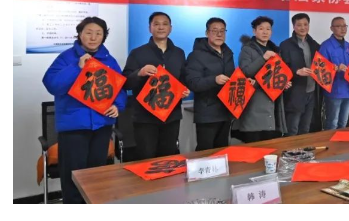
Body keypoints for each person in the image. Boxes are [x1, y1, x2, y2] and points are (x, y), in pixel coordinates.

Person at [42, 17, 126, 204]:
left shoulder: (109, 60)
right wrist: (77, 67)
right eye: (88, 33)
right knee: (73, 176)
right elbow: (52, 85)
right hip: (74, 127)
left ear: (104, 36)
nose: (93, 37)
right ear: (80, 34)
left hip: (102, 125)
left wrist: (117, 106)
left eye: (98, 33)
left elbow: (119, 88)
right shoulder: (67, 58)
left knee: (96, 175)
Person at [123, 12, 190, 160]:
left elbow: (183, 78)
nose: (161, 27)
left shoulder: (179, 53)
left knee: (168, 158)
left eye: (165, 24)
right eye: (156, 24)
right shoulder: (138, 53)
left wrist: (184, 89)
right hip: (145, 118)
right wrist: (140, 73)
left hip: (171, 116)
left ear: (170, 28)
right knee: (146, 158)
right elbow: (125, 82)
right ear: (150, 28)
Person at [237, 16, 291, 142]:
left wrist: (283, 83)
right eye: (261, 29)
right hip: (255, 103)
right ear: (254, 31)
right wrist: (263, 58)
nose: (265, 32)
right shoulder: (247, 50)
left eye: (268, 29)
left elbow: (275, 75)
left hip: (273, 104)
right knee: (255, 143)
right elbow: (245, 72)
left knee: (271, 145)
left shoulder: (275, 51)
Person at [185, 17, 235, 150]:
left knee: (222, 151)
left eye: (222, 31)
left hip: (226, 111)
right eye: (215, 31)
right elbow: (192, 83)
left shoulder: (228, 53)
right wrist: (214, 80)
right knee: (205, 152)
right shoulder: (196, 55)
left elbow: (232, 79)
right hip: (207, 114)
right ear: (207, 33)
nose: (219, 34)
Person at [279, 13, 320, 136]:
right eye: (299, 25)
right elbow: (281, 69)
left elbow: (323, 64)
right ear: (294, 26)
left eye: (305, 24)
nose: (303, 28)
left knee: (306, 128)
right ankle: (290, 149)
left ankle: (304, 149)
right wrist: (296, 72)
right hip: (295, 92)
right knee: (292, 129)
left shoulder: (314, 44)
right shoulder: (285, 45)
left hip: (312, 91)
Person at [318, 17, 349, 130]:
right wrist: (335, 68)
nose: (343, 29)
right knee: (332, 123)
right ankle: (330, 142)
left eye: (344, 26)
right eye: (339, 26)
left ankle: (340, 142)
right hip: (334, 91)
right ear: (332, 28)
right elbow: (320, 69)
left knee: (343, 123)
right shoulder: (325, 46)